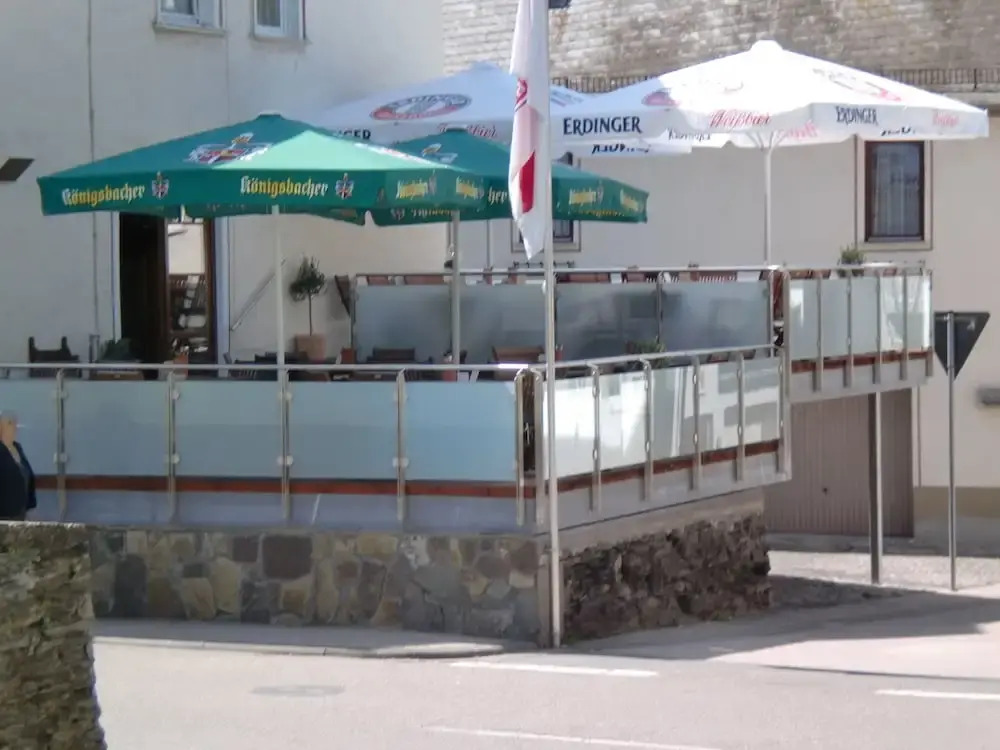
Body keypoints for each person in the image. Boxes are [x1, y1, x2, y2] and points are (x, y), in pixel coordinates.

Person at [0, 411, 36, 521]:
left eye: (15, 423)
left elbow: (27, 474)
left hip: (20, 513)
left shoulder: (18, 448)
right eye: (9, 423)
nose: (15, 427)